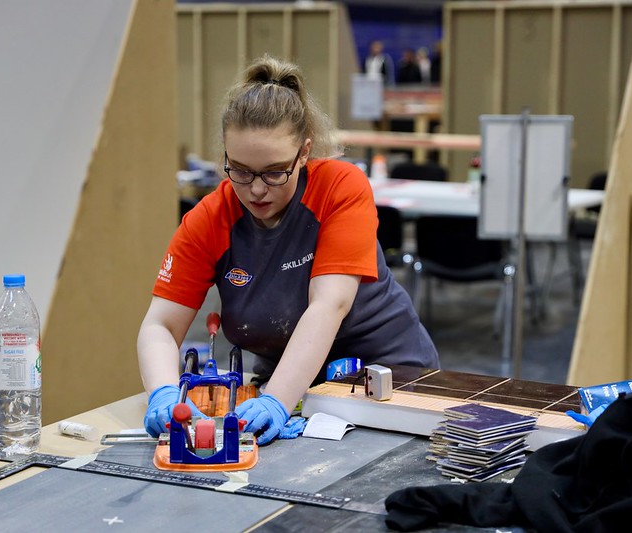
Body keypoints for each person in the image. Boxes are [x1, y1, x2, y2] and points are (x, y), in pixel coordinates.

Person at [138, 55, 439, 446]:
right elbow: (159, 325)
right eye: (241, 171)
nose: (257, 189)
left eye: (275, 171)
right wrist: (163, 393)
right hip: (294, 387)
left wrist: (277, 401)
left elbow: (329, 306)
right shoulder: (208, 220)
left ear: (304, 153)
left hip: (391, 381)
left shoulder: (339, 188)